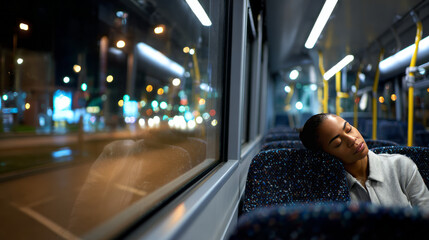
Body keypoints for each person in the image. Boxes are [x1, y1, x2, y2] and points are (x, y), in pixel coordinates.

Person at [299, 113, 429, 210]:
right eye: (338, 143)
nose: (352, 140)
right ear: (325, 155)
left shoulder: (402, 166)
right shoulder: (329, 190)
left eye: (349, 129)